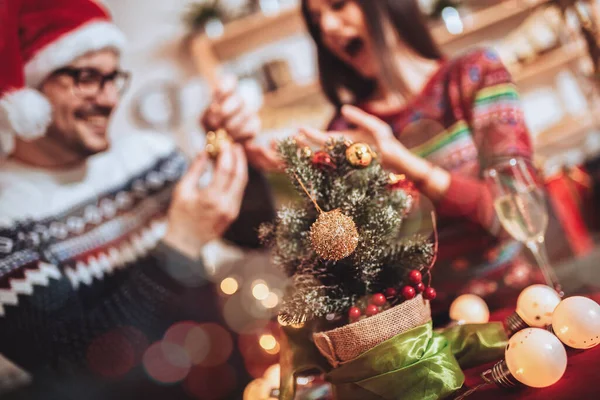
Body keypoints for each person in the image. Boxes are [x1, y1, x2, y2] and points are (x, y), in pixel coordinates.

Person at [205, 0, 572, 320]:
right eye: (317, 22)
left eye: (338, 5)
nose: (328, 28)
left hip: (523, 305)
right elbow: (345, 263)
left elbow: (515, 214)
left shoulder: (474, 75)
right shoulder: (342, 130)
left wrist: (402, 162)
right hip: (423, 329)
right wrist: (250, 159)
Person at [0, 0, 273, 398]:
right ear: (28, 93)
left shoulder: (149, 156)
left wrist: (237, 154)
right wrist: (179, 246)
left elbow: (257, 232)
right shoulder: (8, 219)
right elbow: (72, 365)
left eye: (113, 78)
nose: (109, 99)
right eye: (87, 77)